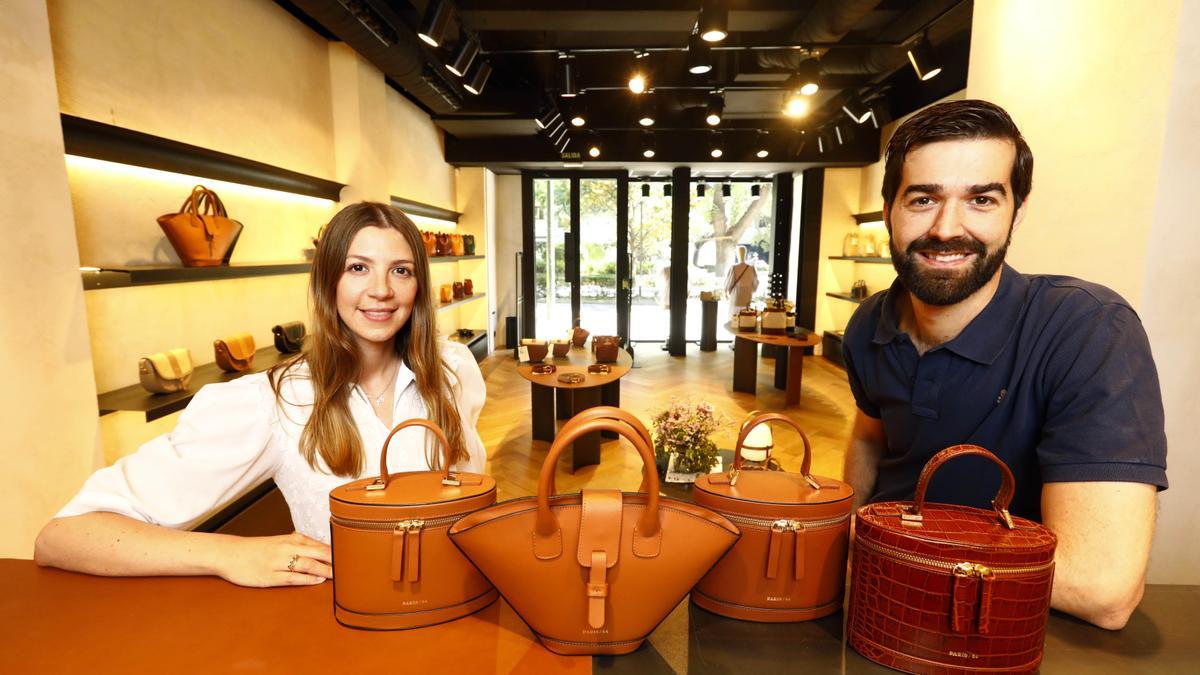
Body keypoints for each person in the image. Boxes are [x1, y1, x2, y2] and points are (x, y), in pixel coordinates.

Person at [34, 202, 487, 588]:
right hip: (344, 628)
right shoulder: (273, 402)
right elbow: (63, 537)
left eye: (401, 270)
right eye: (358, 267)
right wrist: (227, 554)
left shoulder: (453, 371)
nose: (381, 290)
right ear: (328, 282)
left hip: (455, 609)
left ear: (418, 286)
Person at [840, 100, 1167, 630]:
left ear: (1017, 210)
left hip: (1004, 627)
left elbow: (1100, 585)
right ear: (888, 211)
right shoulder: (869, 323)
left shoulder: (1088, 329)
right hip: (875, 608)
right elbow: (872, 436)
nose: (948, 228)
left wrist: (886, 550)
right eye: (923, 199)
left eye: (982, 199)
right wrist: (848, 539)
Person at [723, 245, 758, 319]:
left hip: (737, 295)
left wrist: (726, 291)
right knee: (746, 315)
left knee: (735, 316)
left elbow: (729, 282)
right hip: (747, 295)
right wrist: (752, 290)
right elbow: (756, 282)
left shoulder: (734, 268)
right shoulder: (751, 268)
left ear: (737, 254)